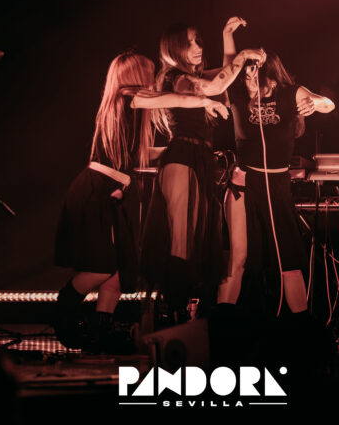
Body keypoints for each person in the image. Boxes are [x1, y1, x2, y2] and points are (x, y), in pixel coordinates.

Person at [53, 51, 230, 351]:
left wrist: (181, 149)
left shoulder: (129, 111)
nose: (152, 80)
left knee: (117, 274)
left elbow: (139, 155)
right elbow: (172, 98)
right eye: (147, 73)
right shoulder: (126, 96)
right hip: (97, 190)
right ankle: (62, 318)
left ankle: (101, 332)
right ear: (134, 75)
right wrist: (204, 101)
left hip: (113, 192)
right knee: (100, 268)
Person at [141, 20, 265, 322]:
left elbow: (226, 77)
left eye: (198, 41)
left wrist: (227, 37)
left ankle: (181, 310)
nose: (197, 47)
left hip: (199, 159)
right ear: (174, 49)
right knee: (181, 239)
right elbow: (216, 86)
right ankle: (172, 313)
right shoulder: (176, 77)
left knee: (194, 240)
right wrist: (242, 55)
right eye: (190, 43)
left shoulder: (192, 76)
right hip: (182, 157)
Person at [218, 50, 335, 317]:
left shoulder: (289, 94)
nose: (248, 80)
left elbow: (328, 103)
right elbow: (223, 72)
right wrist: (227, 34)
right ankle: (223, 324)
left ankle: (301, 325)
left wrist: (315, 103)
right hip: (244, 183)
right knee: (238, 259)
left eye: (252, 73)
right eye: (244, 74)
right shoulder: (237, 93)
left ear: (268, 74)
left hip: (277, 184)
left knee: (287, 259)